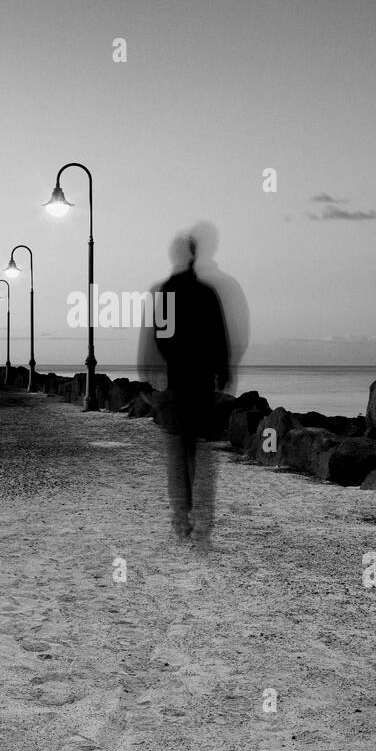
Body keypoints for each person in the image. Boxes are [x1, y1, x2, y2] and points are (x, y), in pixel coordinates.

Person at [141, 231, 231, 543]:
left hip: (178, 384)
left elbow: (159, 337)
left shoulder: (168, 291)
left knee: (179, 454)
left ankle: (182, 518)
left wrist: (156, 372)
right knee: (199, 453)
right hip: (201, 385)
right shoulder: (206, 293)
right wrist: (222, 372)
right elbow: (219, 338)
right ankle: (200, 518)